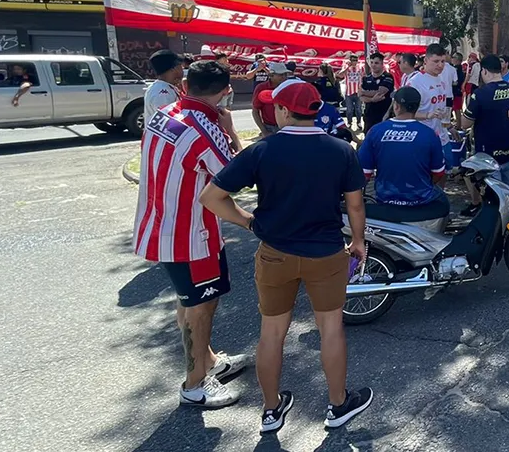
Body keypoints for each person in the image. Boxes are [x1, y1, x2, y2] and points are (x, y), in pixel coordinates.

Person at [200, 79, 372, 433]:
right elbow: (355, 204)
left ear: (281, 110)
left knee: (272, 333)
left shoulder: (262, 151)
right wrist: (358, 240)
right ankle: (338, 404)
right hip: (325, 252)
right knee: (330, 330)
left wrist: (249, 223)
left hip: (275, 252)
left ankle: (271, 410)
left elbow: (211, 197)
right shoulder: (341, 150)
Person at [133, 60, 249, 409]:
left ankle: (207, 359)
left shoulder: (164, 112)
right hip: (191, 234)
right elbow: (235, 175)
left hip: (160, 224)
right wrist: (231, 131)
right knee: (203, 305)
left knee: (189, 300)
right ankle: (195, 383)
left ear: (186, 82)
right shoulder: (204, 127)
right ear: (226, 92)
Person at [358, 87, 451, 223]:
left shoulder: (375, 131)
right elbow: (438, 173)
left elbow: (364, 174)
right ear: (417, 107)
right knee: (443, 201)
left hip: (385, 199)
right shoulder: (430, 134)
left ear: (396, 106)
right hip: (421, 200)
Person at [459, 55, 509, 215]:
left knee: (496, 201)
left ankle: (499, 235)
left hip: (488, 157)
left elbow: (465, 124)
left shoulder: (480, 94)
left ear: (484, 71)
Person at [406, 44, 455, 167]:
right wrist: (428, 115)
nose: (440, 65)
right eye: (436, 61)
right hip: (423, 137)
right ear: (426, 60)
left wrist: (449, 127)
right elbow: (405, 113)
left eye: (443, 61)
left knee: (446, 169)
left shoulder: (442, 79)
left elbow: (443, 107)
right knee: (427, 173)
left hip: (442, 136)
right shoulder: (415, 82)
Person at [359, 52, 396, 133]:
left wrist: (364, 92)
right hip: (368, 116)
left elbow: (380, 93)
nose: (373, 65)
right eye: (371, 62)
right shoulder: (366, 78)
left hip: (383, 115)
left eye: (376, 63)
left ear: (382, 64)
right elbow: (360, 96)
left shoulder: (388, 77)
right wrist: (372, 99)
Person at [252, 63, 290, 138]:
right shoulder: (262, 88)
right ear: (271, 75)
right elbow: (255, 110)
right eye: (281, 75)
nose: (284, 77)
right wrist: (264, 131)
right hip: (270, 128)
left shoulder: (289, 87)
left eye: (285, 74)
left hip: (288, 127)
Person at [144, 50, 183, 119]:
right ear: (174, 69)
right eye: (181, 66)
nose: (182, 69)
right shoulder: (163, 92)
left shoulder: (163, 87)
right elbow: (168, 121)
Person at [336, 54, 365, 129]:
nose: (354, 62)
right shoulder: (346, 67)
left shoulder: (360, 67)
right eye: (352, 60)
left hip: (358, 92)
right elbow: (340, 75)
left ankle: (359, 122)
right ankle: (349, 122)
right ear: (350, 60)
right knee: (349, 110)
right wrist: (348, 67)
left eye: (355, 60)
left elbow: (364, 76)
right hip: (349, 92)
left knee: (358, 109)